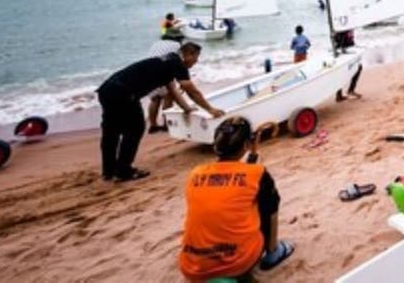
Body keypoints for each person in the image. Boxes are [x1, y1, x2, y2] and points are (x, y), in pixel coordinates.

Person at [179, 117, 294, 280]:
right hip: (237, 262)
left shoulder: (195, 173)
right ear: (246, 144)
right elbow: (270, 209)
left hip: (191, 266)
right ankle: (273, 252)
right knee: (268, 204)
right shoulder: (257, 174)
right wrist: (255, 165)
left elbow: (229, 187)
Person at [96, 41, 225, 182]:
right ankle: (123, 170)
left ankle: (108, 171)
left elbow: (172, 90)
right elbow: (192, 91)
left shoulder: (168, 60)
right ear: (189, 54)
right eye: (196, 57)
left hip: (107, 90)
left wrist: (186, 108)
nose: (196, 61)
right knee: (135, 129)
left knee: (111, 132)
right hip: (123, 93)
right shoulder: (177, 63)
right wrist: (211, 109)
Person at [146, 33, 185, 134]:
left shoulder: (156, 44)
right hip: (162, 73)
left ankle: (153, 125)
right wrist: (182, 82)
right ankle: (166, 124)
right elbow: (180, 64)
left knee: (155, 99)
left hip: (147, 72)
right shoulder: (177, 45)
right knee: (168, 97)